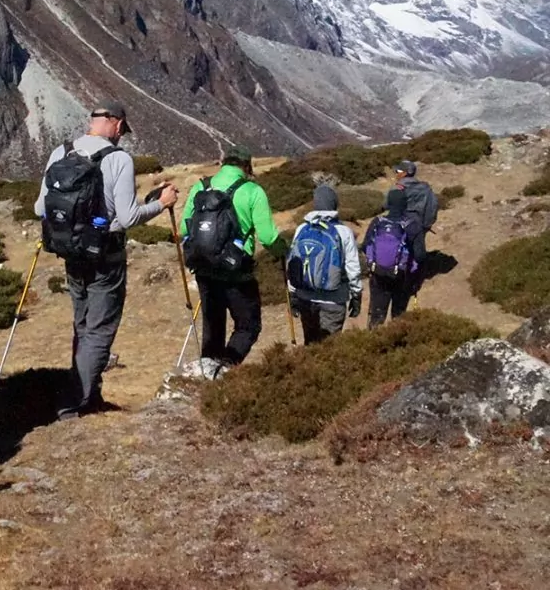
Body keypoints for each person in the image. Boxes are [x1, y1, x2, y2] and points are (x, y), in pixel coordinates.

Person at [34, 101, 178, 419]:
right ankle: (74, 404)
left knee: (83, 324)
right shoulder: (118, 159)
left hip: (71, 253)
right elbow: (126, 217)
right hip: (106, 255)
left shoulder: (61, 152)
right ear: (114, 123)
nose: (122, 135)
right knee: (99, 329)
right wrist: (161, 204)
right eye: (122, 129)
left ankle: (89, 395)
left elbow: (38, 208)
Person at [180, 145, 283, 368]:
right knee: (248, 326)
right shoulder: (252, 191)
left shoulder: (201, 186)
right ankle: (226, 367)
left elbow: (183, 230)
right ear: (247, 166)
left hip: (204, 269)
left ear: (223, 162)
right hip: (237, 270)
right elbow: (268, 237)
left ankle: (207, 371)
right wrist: (283, 252)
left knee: (213, 325)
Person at [286, 185, 363, 344]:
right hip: (334, 300)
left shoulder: (302, 228)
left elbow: (293, 263)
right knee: (330, 347)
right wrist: (356, 296)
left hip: (305, 298)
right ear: (334, 204)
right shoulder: (343, 232)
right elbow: (353, 269)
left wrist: (293, 294)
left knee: (310, 343)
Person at [363, 187, 422, 328]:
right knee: (399, 315)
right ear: (405, 204)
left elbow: (366, 245)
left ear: (389, 203)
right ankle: (396, 344)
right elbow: (420, 254)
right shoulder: (412, 224)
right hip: (402, 276)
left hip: (378, 274)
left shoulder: (377, 222)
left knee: (377, 315)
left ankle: (372, 340)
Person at [394, 159, 439, 294]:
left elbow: (387, 204)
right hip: (420, 225)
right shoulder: (425, 188)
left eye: (398, 171)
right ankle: (416, 279)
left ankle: (402, 281)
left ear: (405, 173)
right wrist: (426, 225)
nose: (396, 173)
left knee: (401, 252)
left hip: (401, 225)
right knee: (418, 252)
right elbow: (432, 207)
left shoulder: (398, 188)